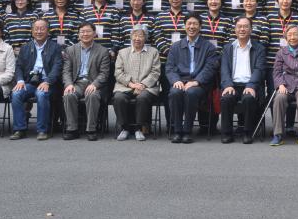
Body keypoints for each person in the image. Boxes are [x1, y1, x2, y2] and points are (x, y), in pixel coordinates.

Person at [164, 14, 219, 143]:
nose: (191, 27)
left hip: (199, 84)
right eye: (189, 24)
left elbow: (210, 68)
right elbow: (169, 68)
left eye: (195, 24)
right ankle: (177, 131)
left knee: (191, 93)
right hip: (180, 81)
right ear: (184, 26)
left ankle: (187, 131)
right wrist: (176, 80)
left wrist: (196, 81)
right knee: (175, 93)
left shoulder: (209, 47)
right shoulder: (175, 46)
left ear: (200, 27)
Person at [10, 18, 63, 140]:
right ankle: (19, 129)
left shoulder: (55, 47)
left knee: (41, 94)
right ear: (32, 31)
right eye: (36, 29)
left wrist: (48, 81)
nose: (39, 31)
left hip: (48, 83)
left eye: (42, 29)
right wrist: (20, 80)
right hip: (30, 82)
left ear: (48, 31)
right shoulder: (25, 47)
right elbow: (18, 66)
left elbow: (57, 67)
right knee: (16, 93)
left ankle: (42, 130)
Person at [218, 17, 266, 144]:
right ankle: (226, 133)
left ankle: (248, 132)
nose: (242, 29)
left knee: (249, 98)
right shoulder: (228, 48)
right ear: (235, 29)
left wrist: (251, 85)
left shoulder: (259, 48)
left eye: (245, 26)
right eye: (239, 26)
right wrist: (228, 85)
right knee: (226, 98)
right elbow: (224, 69)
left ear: (251, 29)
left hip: (250, 84)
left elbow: (259, 70)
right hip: (232, 84)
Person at [62, 22, 112, 141]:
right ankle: (72, 129)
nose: (85, 34)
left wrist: (95, 84)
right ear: (78, 34)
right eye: (82, 32)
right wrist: (68, 84)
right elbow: (66, 71)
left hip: (94, 83)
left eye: (88, 31)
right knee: (68, 94)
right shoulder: (70, 50)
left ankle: (91, 129)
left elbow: (104, 73)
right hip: (77, 83)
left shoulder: (103, 51)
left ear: (94, 34)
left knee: (92, 95)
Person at [112, 27, 161, 141]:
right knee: (118, 98)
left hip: (146, 87)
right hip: (125, 86)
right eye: (135, 35)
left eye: (140, 36)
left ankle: (139, 128)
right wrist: (131, 84)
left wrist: (143, 85)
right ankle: (125, 128)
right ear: (131, 37)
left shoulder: (153, 52)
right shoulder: (122, 52)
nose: (137, 38)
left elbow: (155, 72)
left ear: (145, 38)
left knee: (142, 98)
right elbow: (118, 73)